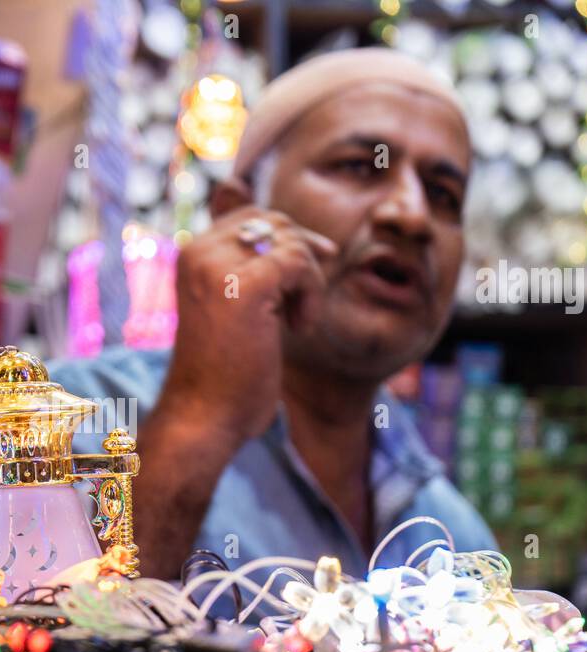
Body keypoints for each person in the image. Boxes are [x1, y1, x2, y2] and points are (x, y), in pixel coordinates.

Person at [52, 47, 496, 580]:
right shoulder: (64, 423)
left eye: (443, 195)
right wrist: (199, 418)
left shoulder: (455, 543)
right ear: (239, 216)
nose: (412, 214)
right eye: (359, 166)